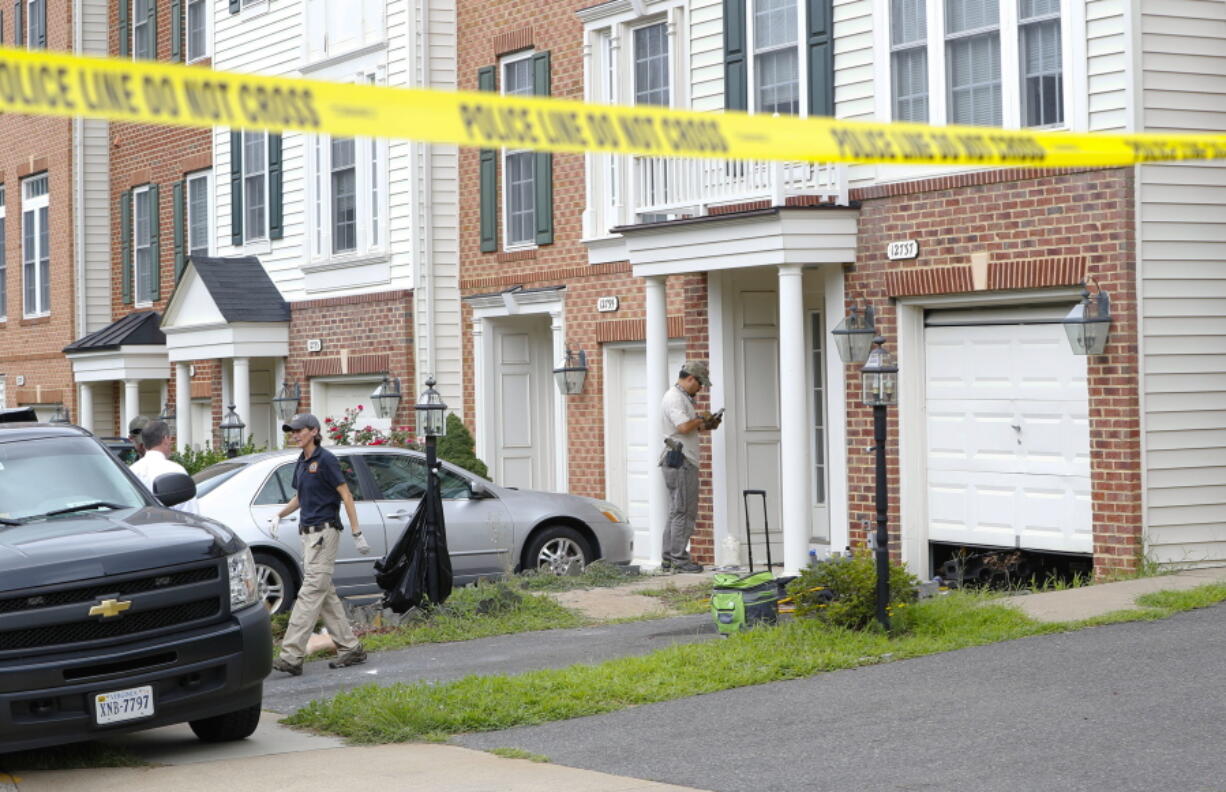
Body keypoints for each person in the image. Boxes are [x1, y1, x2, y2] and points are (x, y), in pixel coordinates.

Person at [269, 413, 369, 676]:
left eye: (299, 430)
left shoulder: (326, 460)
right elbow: (300, 498)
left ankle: (291, 655)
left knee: (310, 592)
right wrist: (279, 515)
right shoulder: (301, 462)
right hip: (308, 535)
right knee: (325, 593)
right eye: (292, 431)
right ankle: (351, 647)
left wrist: (357, 532)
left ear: (314, 431)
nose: (295, 434)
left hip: (325, 533)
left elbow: (346, 495)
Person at [659, 360, 722, 573]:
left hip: (678, 459)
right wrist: (698, 418)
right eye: (699, 383)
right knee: (684, 512)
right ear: (690, 379)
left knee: (676, 511)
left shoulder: (682, 397)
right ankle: (679, 560)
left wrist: (708, 424)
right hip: (681, 461)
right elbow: (684, 426)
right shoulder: (674, 398)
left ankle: (669, 558)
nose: (701, 388)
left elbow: (690, 427)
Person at [129, 419, 199, 514]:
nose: (171, 443)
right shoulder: (175, 470)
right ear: (165, 439)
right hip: (171, 525)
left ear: (144, 442)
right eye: (170, 439)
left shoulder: (131, 471)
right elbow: (190, 512)